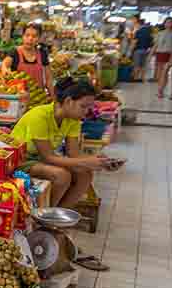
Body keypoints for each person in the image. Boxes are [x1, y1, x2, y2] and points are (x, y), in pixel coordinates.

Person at [14, 76, 110, 210]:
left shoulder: (73, 119)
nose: (87, 111)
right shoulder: (39, 116)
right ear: (69, 101)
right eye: (83, 106)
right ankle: (45, 218)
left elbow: (73, 153)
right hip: (21, 160)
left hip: (42, 159)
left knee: (85, 175)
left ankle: (59, 215)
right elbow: (48, 157)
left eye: (89, 107)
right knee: (61, 176)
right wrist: (87, 162)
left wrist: (99, 162)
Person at [4, 23, 54, 100]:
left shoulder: (42, 53)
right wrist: (5, 70)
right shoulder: (15, 52)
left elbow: (48, 78)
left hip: (38, 98)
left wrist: (54, 98)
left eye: (34, 36)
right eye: (27, 35)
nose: (30, 39)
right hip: (19, 98)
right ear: (22, 36)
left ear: (39, 38)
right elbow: (4, 65)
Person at [151, 17, 172, 98]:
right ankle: (160, 89)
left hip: (168, 54)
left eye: (170, 22)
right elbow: (156, 45)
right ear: (164, 23)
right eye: (166, 22)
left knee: (164, 73)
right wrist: (150, 54)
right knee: (159, 74)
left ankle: (160, 91)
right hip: (159, 54)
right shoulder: (160, 33)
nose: (168, 24)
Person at [132, 16, 154, 82]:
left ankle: (135, 78)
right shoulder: (148, 31)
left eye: (136, 24)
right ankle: (142, 78)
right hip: (146, 50)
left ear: (138, 24)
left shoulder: (138, 31)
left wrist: (130, 50)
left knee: (136, 65)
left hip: (138, 50)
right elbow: (151, 42)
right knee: (143, 65)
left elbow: (135, 42)